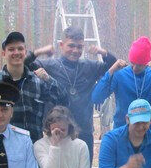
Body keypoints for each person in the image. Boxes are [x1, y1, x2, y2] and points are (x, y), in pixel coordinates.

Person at [26, 26, 116, 160]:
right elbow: (24, 64)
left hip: (83, 130)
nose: (75, 50)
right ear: (61, 45)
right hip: (58, 132)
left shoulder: (89, 67)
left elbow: (113, 66)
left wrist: (102, 52)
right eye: (71, 46)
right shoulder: (50, 65)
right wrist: (39, 51)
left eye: (79, 47)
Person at [0, 31, 66, 142]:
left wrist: (49, 80)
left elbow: (63, 100)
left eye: (20, 49)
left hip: (33, 147)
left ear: (25, 52)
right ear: (3, 53)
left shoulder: (38, 83)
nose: (16, 52)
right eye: (11, 49)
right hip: (1, 147)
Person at [91, 36, 151, 132]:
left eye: (139, 65)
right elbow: (96, 97)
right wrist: (111, 71)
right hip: (122, 132)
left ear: (147, 62)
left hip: (147, 133)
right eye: (133, 63)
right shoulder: (120, 75)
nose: (135, 67)